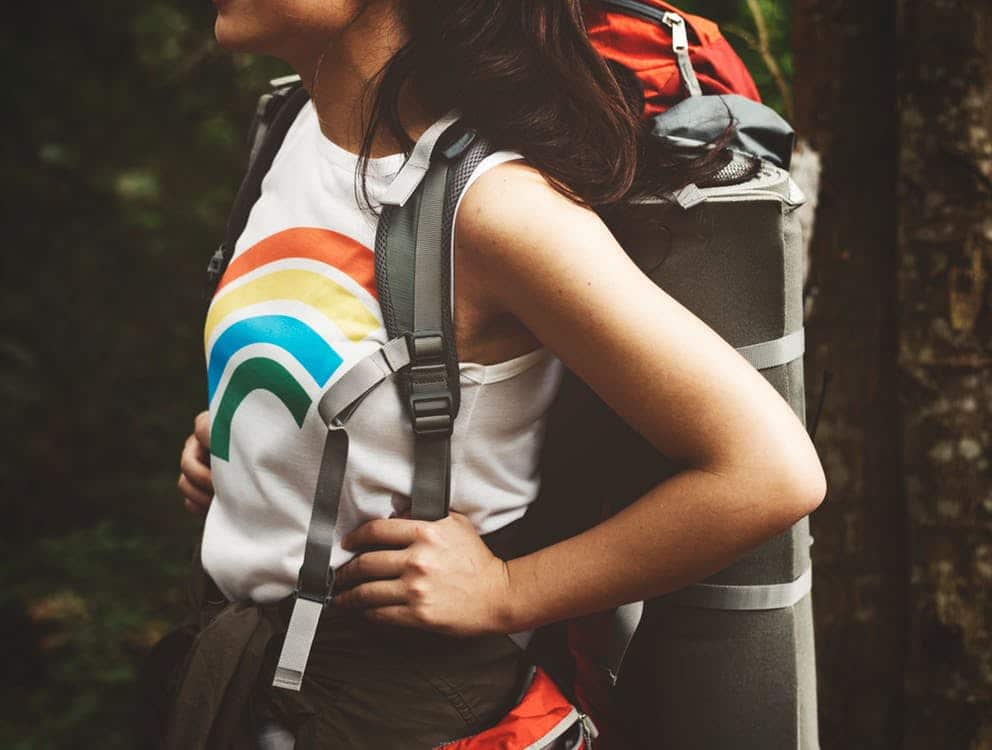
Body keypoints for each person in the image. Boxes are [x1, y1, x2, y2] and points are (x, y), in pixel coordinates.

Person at [173, 0, 827, 747]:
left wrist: (511, 592)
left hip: (407, 711)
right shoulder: (293, 130)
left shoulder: (497, 209)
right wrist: (248, 445)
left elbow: (770, 473)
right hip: (258, 687)